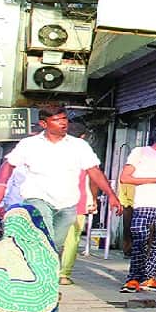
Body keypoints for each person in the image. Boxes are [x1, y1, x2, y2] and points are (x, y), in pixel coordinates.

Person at [0, 105, 123, 254]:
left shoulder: (79, 145)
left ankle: (45, 273)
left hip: (67, 203)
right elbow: (8, 165)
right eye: (57, 120)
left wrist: (111, 195)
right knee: (45, 237)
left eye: (64, 119)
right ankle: (34, 270)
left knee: (55, 246)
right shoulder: (30, 144)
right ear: (44, 124)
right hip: (38, 198)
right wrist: (0, 187)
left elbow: (94, 171)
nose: (63, 123)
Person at [117, 125, 156, 293]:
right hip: (145, 203)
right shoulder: (140, 152)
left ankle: (148, 277)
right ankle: (133, 279)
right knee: (140, 241)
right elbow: (125, 178)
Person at [59, 121, 97, 285]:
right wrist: (93, 199)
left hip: (51, 201)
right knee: (72, 239)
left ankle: (45, 271)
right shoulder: (84, 153)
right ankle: (63, 274)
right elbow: (94, 179)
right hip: (77, 202)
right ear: (82, 137)